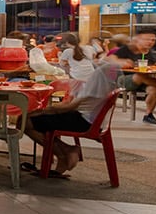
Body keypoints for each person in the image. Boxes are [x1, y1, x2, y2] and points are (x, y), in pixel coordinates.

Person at [25, 49, 125, 178]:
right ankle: (65, 150)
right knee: (36, 119)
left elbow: (67, 108)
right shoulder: (107, 80)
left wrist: (37, 112)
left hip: (84, 122)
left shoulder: (94, 80)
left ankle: (63, 154)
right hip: (94, 121)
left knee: (25, 121)